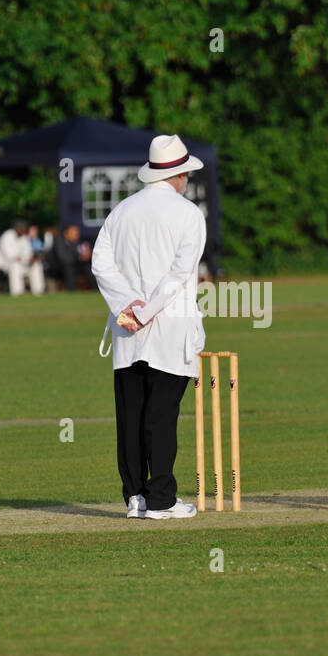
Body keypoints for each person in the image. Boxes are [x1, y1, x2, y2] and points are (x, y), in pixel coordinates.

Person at [93, 133, 207, 520]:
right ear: (178, 176)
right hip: (168, 329)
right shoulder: (189, 214)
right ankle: (161, 499)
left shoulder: (121, 211)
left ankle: (136, 498)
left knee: (132, 415)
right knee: (160, 414)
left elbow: (100, 264)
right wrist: (146, 310)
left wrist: (128, 304)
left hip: (127, 329)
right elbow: (179, 274)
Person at [0, 218, 45, 296]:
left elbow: (27, 253)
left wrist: (32, 259)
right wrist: (25, 259)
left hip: (20, 263)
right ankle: (17, 292)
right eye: (22, 228)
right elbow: (10, 256)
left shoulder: (24, 237)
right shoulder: (7, 236)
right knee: (15, 266)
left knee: (36, 265)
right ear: (16, 228)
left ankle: (38, 291)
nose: (23, 230)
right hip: (1, 264)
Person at [49, 224, 96, 292]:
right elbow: (63, 258)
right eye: (74, 231)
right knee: (68, 268)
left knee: (86, 266)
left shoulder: (77, 242)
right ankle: (71, 291)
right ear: (66, 233)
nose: (77, 233)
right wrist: (79, 258)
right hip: (57, 268)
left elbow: (81, 253)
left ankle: (95, 289)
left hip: (73, 265)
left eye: (77, 231)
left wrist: (86, 256)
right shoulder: (58, 241)